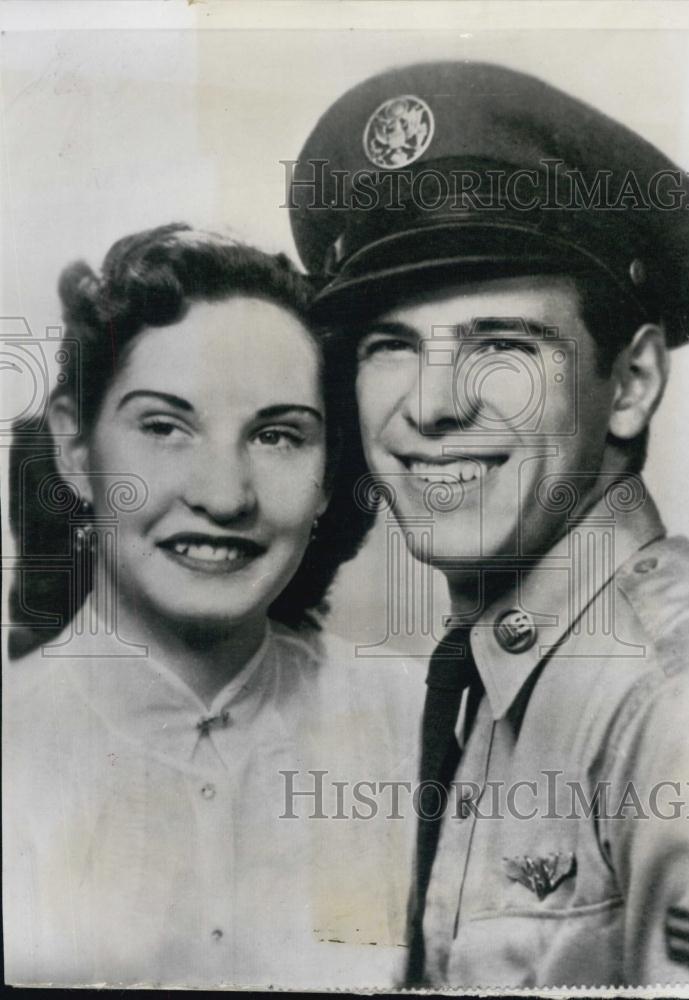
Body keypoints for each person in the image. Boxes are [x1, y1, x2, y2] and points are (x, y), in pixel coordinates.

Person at [289, 61, 689, 988]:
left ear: (630, 383)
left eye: (502, 347)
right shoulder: (504, 670)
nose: (431, 405)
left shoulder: (681, 709)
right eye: (389, 346)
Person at [2, 224, 422, 988]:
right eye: (165, 427)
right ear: (73, 445)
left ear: (330, 474)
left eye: (277, 436)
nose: (223, 495)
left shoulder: (419, 731)